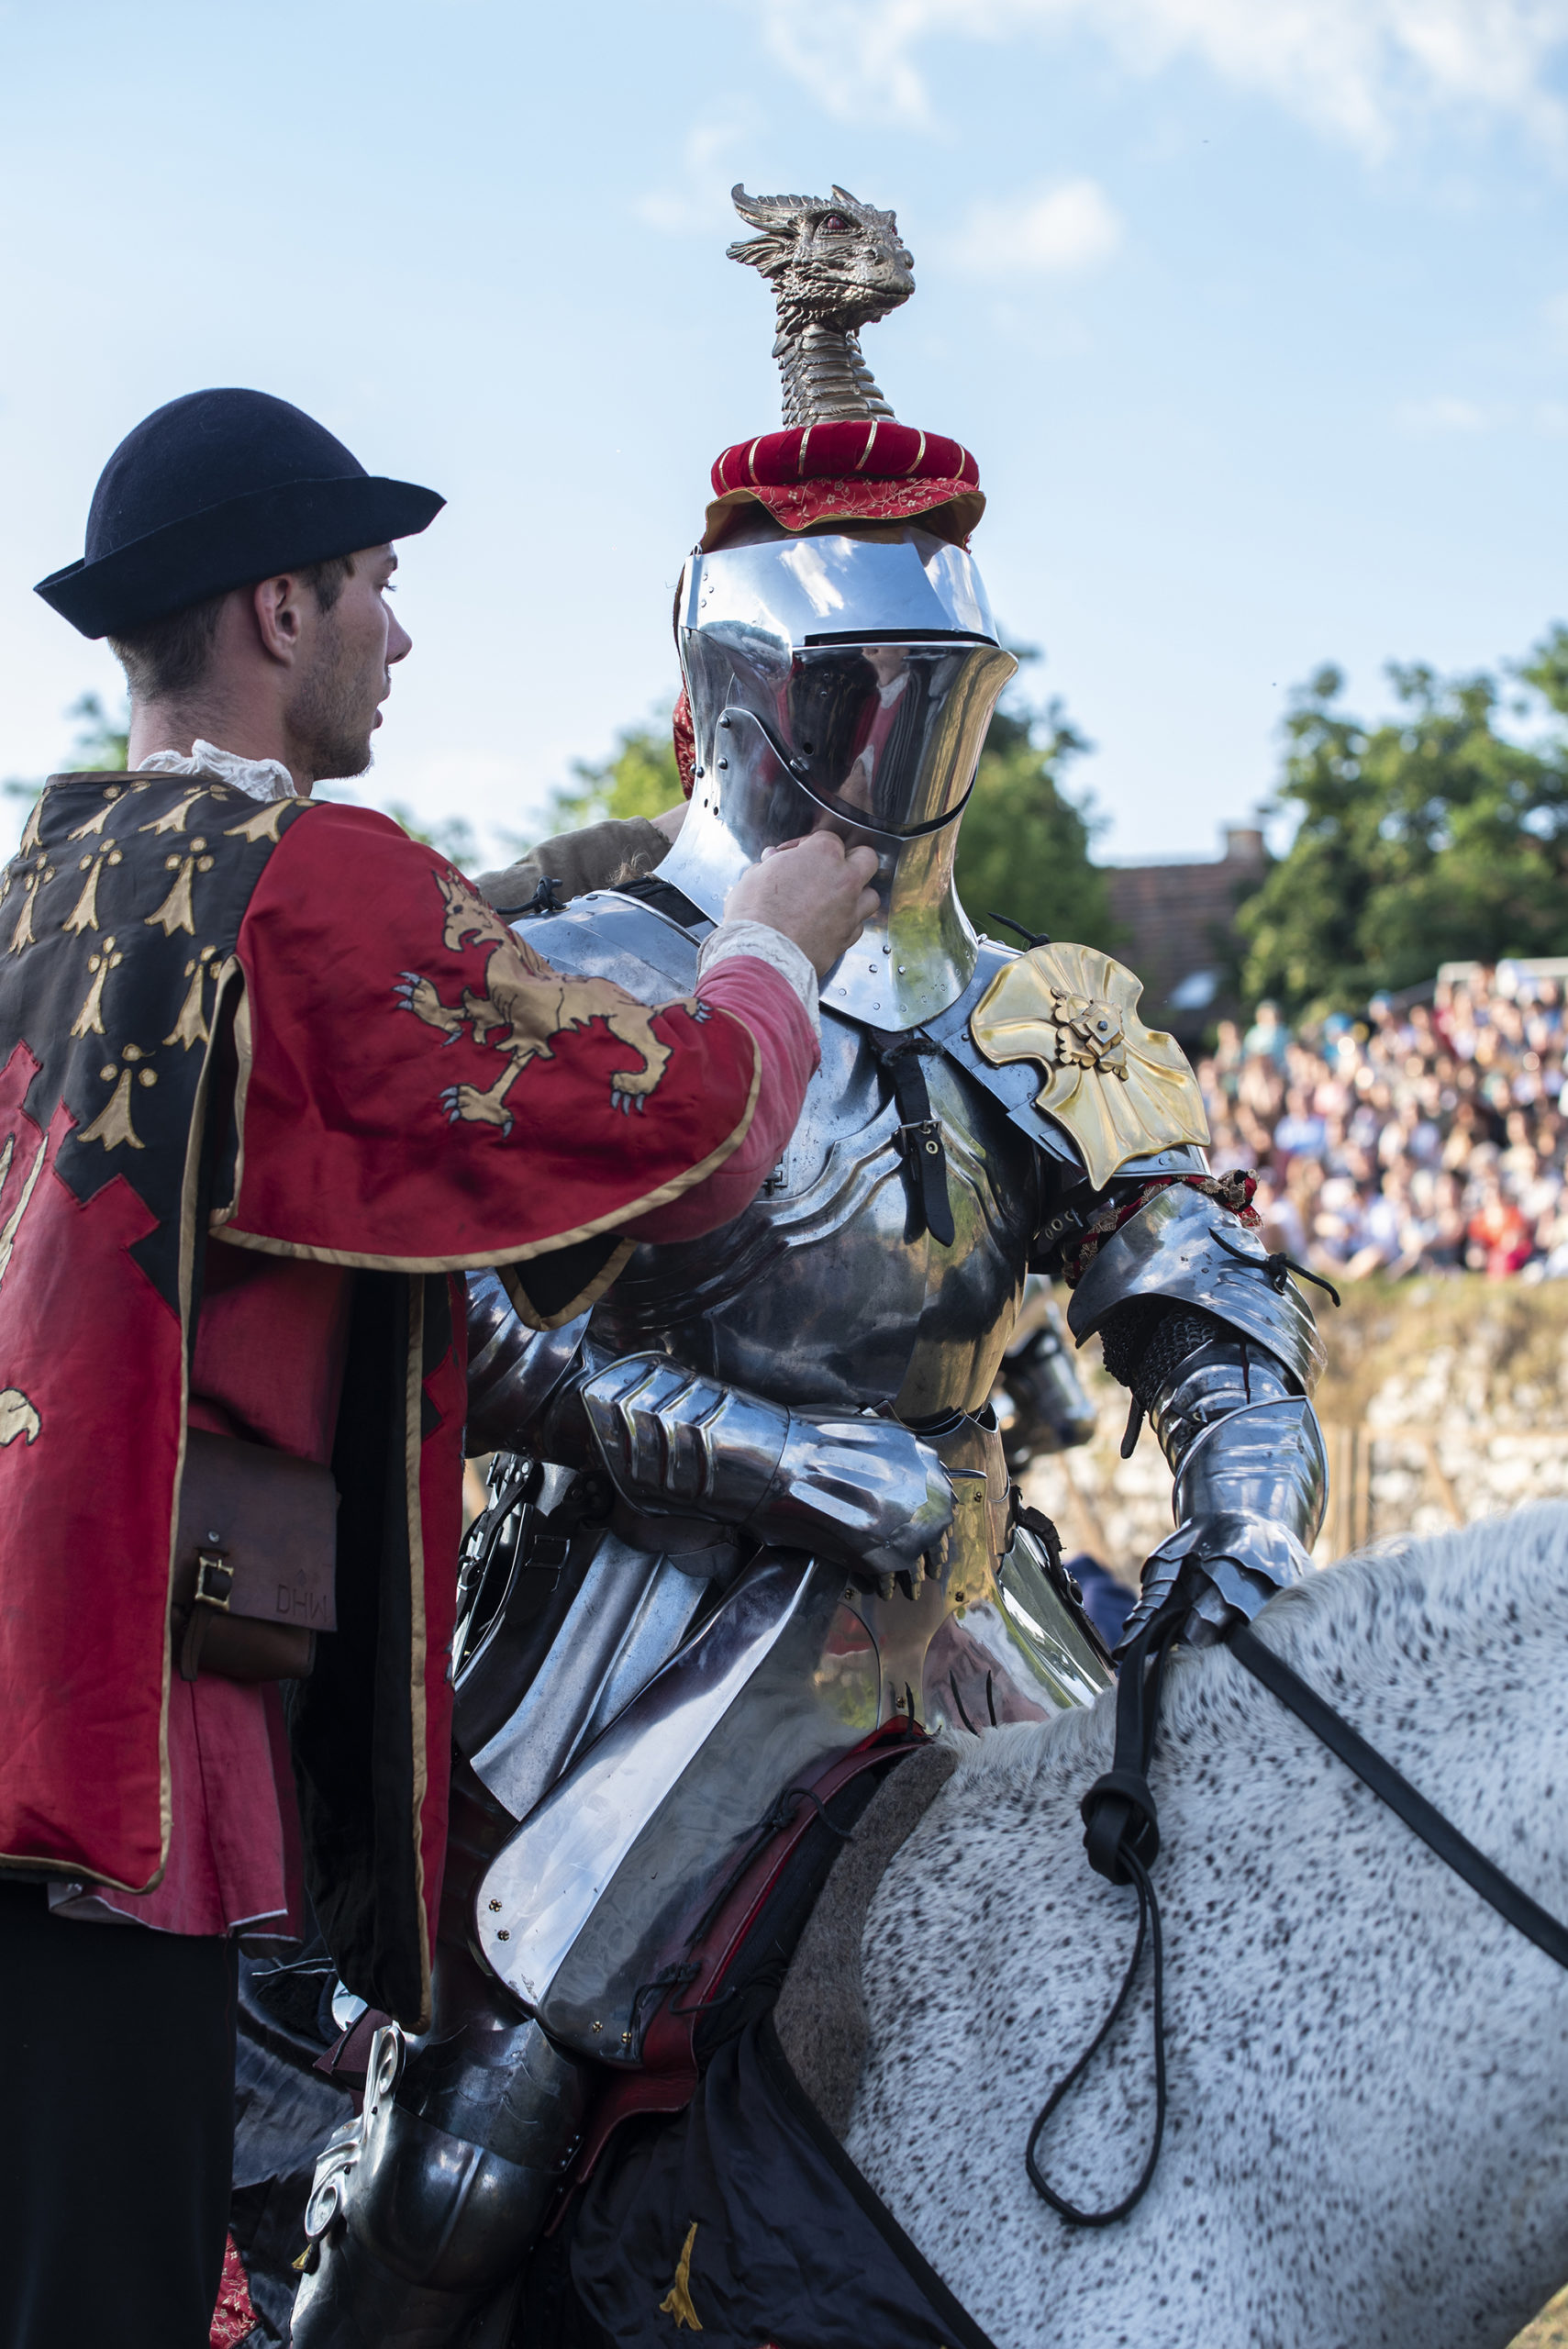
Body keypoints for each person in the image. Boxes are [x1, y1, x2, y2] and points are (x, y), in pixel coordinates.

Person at [289, 186, 1334, 2349]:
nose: (885, 749)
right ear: (737, 686)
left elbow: (1208, 1300)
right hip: (638, 1618)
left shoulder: (1046, 1006)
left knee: (1231, 1974)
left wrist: (1244, 1516)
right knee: (477, 2129)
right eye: (845, 692)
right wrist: (768, 1448)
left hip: (967, 1602)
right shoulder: (591, 966)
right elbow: (456, 1328)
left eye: (925, 695)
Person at [0, 386, 878, 2349]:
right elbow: (681, 1127)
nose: (405, 632)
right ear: (279, 609)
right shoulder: (303, 882)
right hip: (98, 1711)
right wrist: (769, 942)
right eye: (380, 586)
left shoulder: (37, 882)